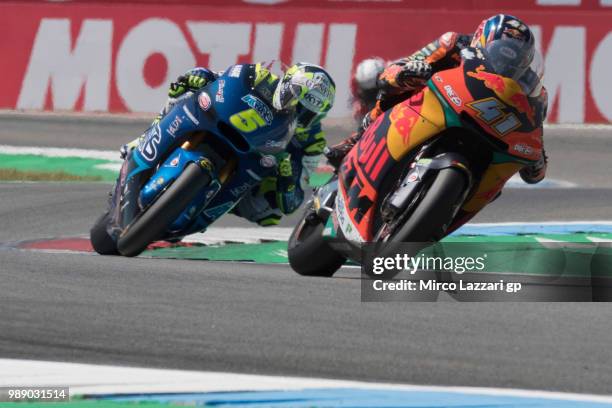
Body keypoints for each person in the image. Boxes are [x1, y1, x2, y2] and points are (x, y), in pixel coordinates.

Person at [326, 14, 548, 184]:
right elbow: (395, 70)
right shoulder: (454, 43)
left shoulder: (529, 82)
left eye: (516, 56)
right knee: (398, 86)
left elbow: (533, 127)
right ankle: (358, 140)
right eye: (500, 51)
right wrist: (406, 72)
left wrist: (537, 153)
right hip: (436, 103)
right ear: (482, 40)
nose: (506, 62)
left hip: (489, 128)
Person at [121, 62, 335, 227]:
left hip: (257, 167)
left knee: (270, 213)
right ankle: (146, 138)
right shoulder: (261, 77)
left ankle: (206, 206)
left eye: (308, 113)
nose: (298, 111)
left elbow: (293, 201)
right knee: (188, 90)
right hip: (225, 126)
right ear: (286, 84)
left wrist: (287, 177)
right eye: (296, 99)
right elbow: (222, 79)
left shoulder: (313, 143)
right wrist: (202, 76)